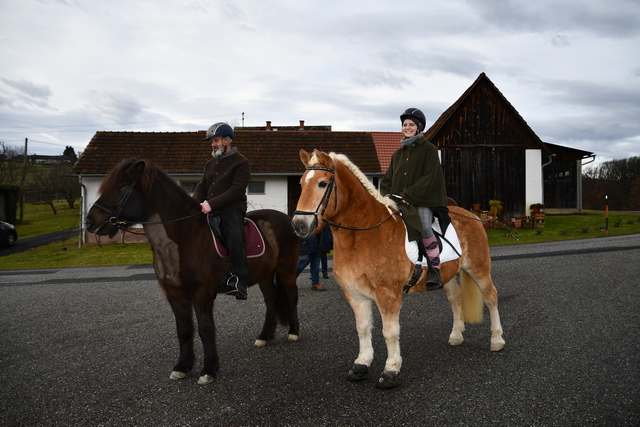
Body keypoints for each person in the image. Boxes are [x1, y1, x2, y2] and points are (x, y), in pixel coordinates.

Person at [380, 108, 448, 290]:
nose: (407, 127)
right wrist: (386, 196)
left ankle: (435, 270)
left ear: (419, 128)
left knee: (424, 225)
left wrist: (409, 195)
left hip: (425, 200)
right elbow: (386, 181)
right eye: (405, 124)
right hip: (399, 201)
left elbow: (430, 178)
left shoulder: (429, 150)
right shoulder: (397, 155)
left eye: (411, 124)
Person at [193, 122, 251, 300]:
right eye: (212, 141)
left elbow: (236, 190)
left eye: (216, 140)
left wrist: (211, 204)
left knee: (234, 235)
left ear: (228, 141)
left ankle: (240, 281)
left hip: (232, 209)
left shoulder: (242, 162)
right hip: (212, 209)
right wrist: (192, 204)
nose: (213, 144)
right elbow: (202, 187)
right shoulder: (209, 164)